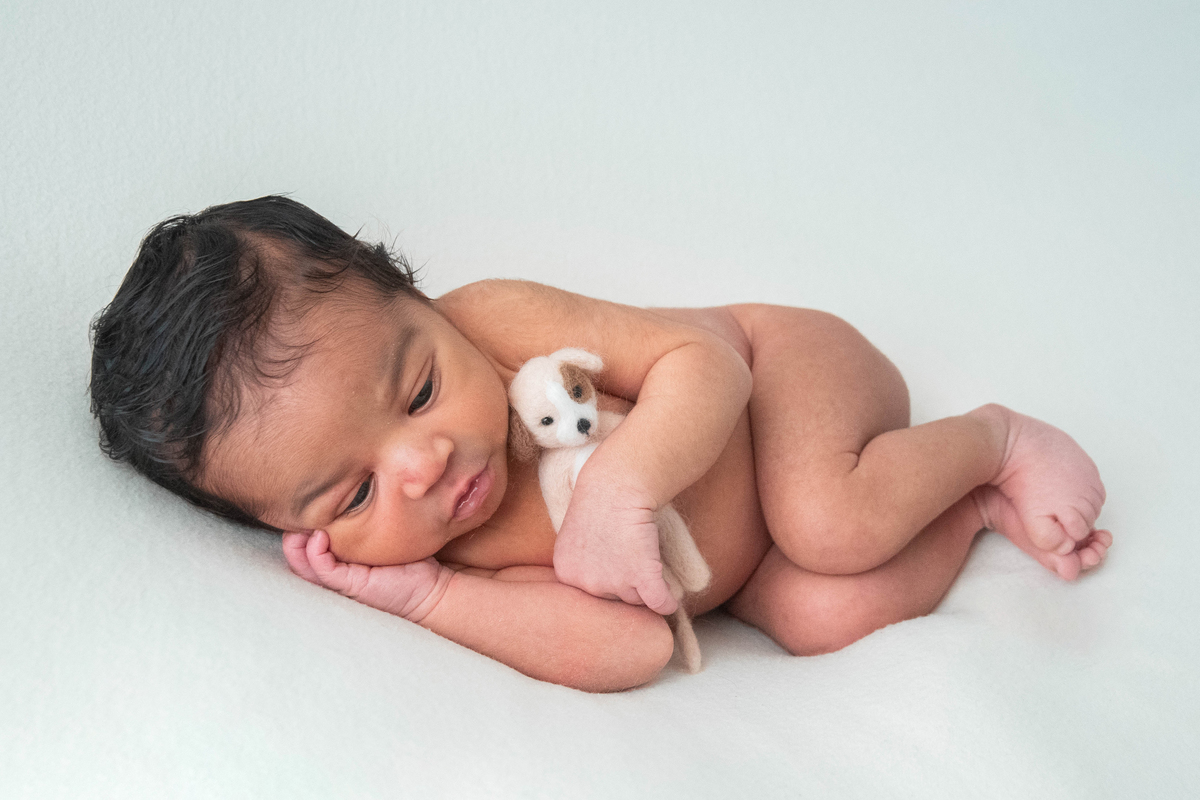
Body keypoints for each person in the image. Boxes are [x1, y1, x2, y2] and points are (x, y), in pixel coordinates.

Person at [90, 196, 1112, 693]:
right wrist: (431, 598)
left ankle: (994, 437)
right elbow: (636, 645)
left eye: (420, 389)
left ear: (419, 299)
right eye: (351, 496)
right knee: (822, 615)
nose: (420, 464)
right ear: (293, 533)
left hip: (782, 375)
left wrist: (623, 486)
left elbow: (707, 359)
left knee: (827, 520)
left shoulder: (495, 318)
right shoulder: (440, 558)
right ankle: (970, 505)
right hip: (738, 571)